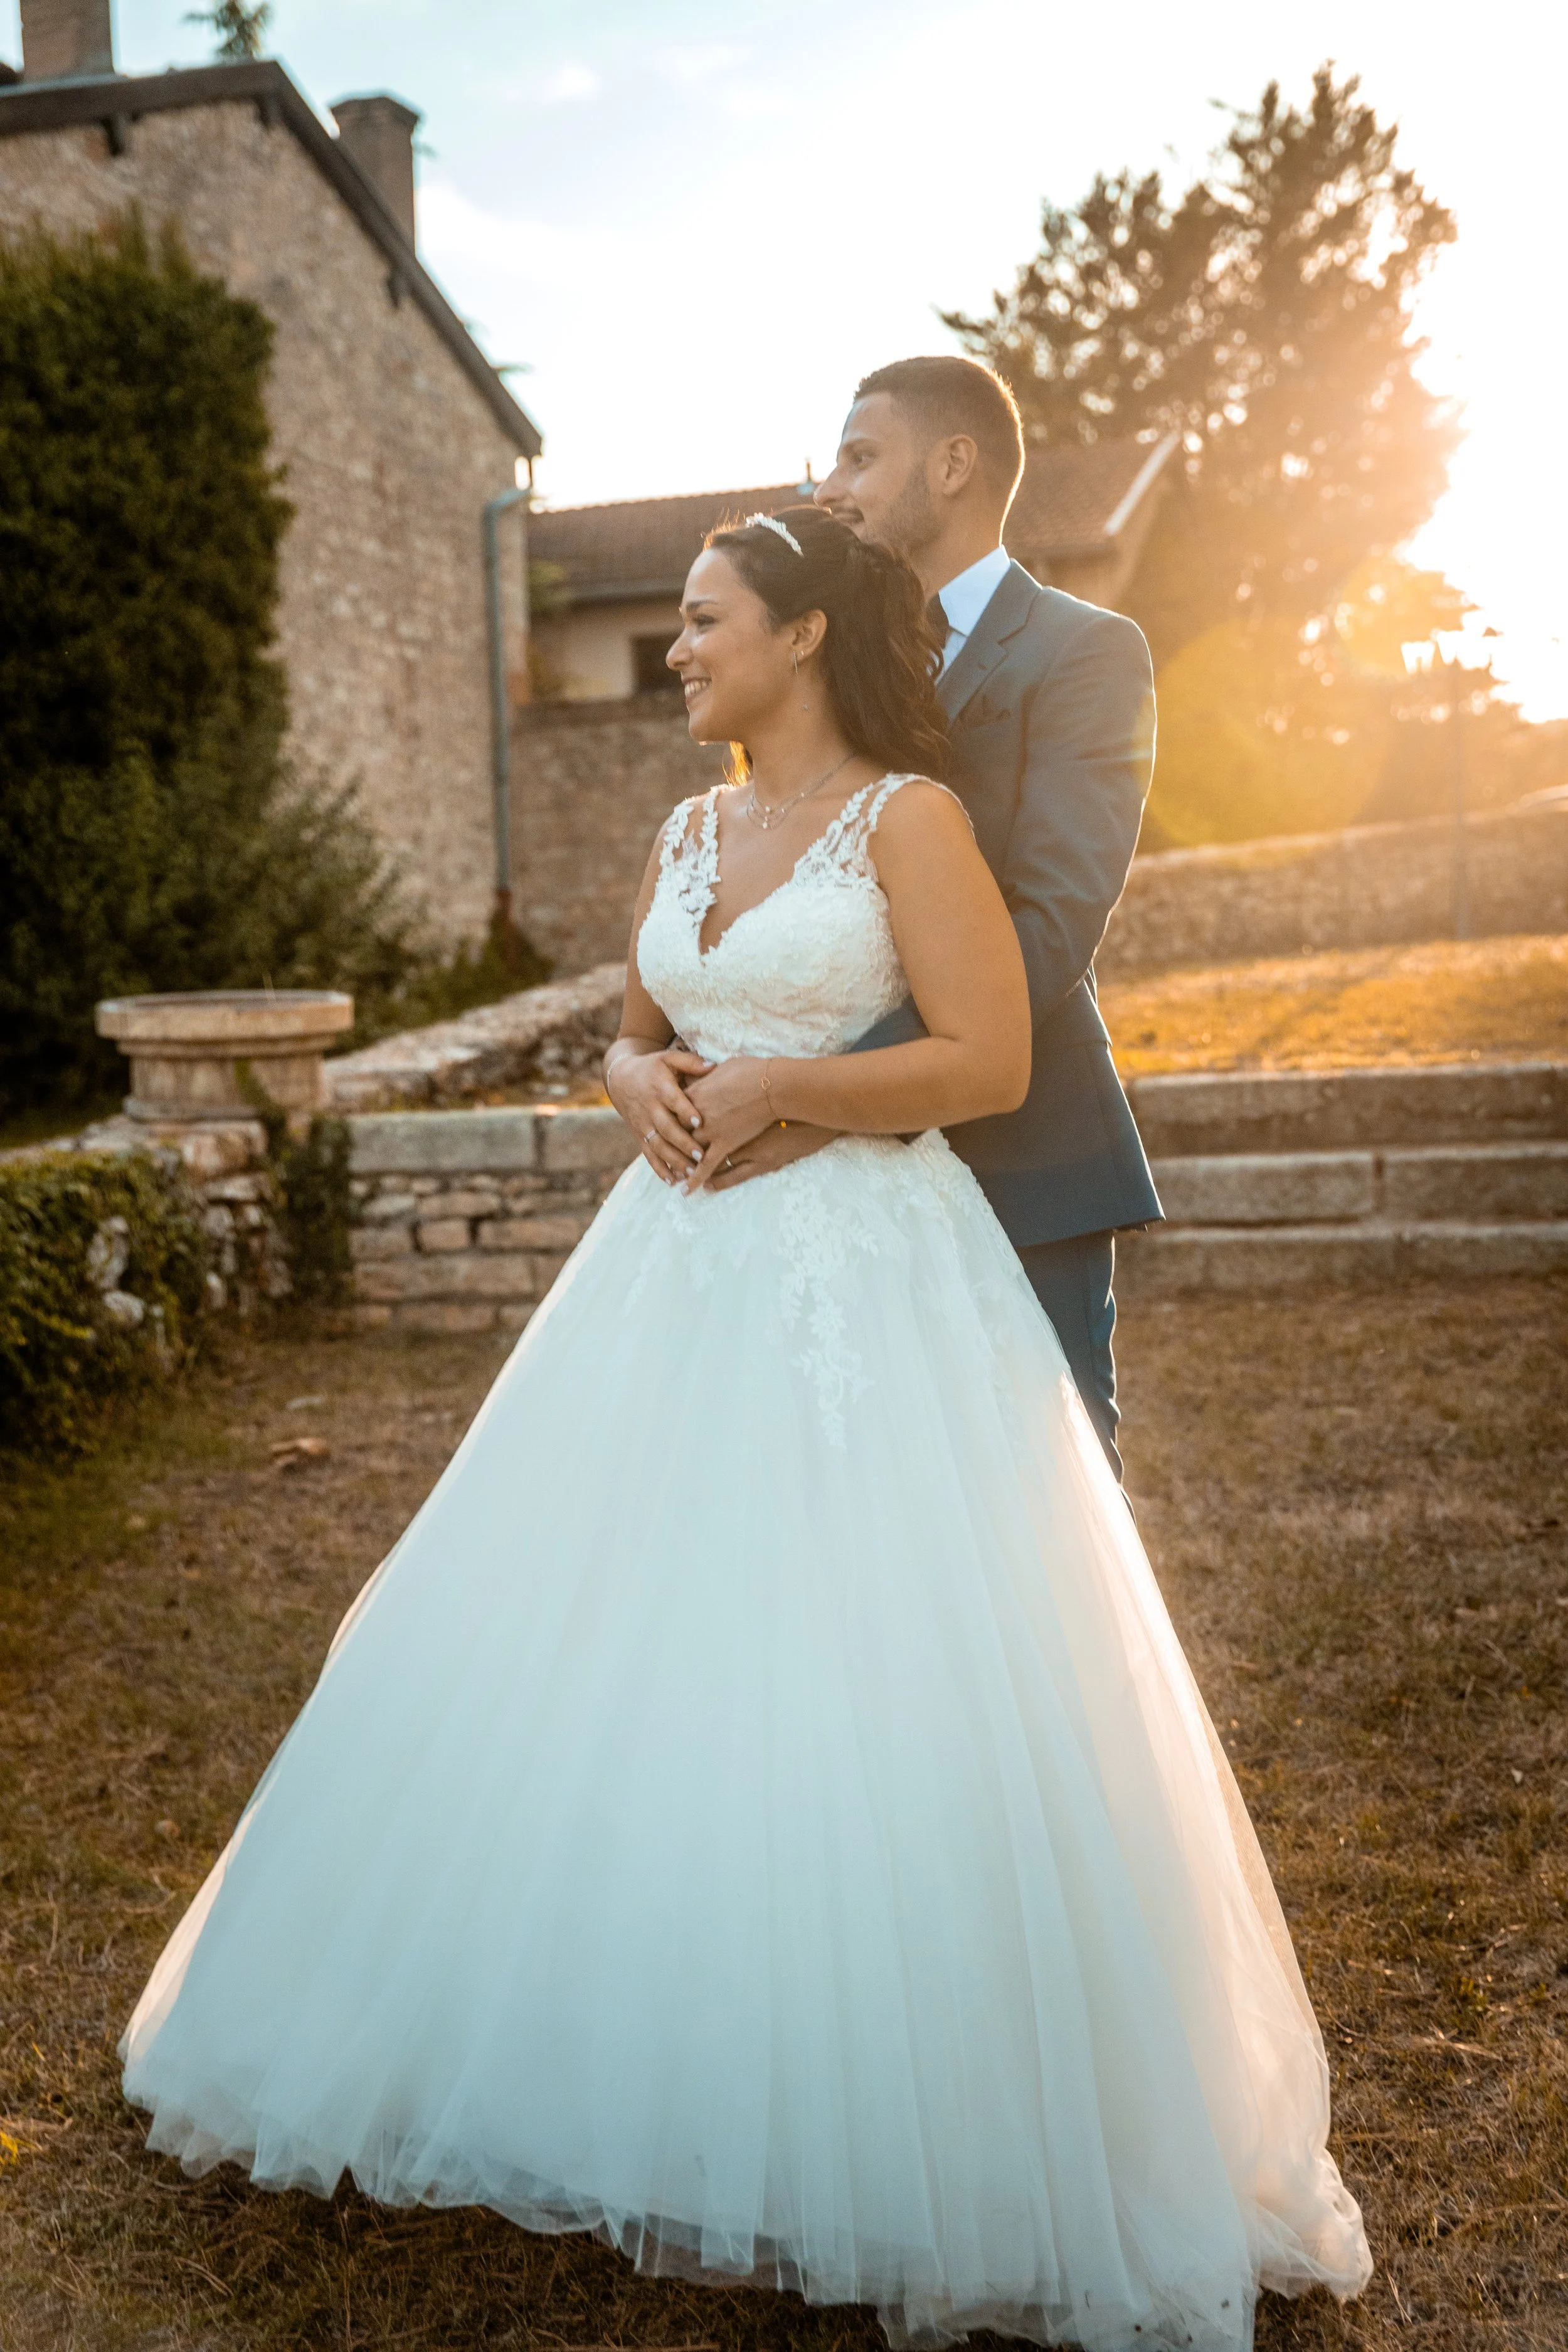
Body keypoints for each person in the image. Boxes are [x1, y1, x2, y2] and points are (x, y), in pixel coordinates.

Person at [121, 506, 1370, 2351]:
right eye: (682, 624)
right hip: (667, 1267)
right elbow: (634, 1022)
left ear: (796, 633)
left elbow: (988, 1060)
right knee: (600, 1628)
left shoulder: (908, 818)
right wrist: (637, 1071)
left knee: (850, 1645)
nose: (678, 649)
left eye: (701, 622)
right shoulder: (686, 827)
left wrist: (786, 1077)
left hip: (864, 1270)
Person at [644, 358, 1159, 1480]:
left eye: (861, 456)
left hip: (1023, 1151)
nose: (834, 485)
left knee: (1046, 1496)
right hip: (800, 1193)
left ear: (956, 463)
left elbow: (1052, 921)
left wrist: (821, 1089)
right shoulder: (843, 657)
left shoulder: (1085, 653)